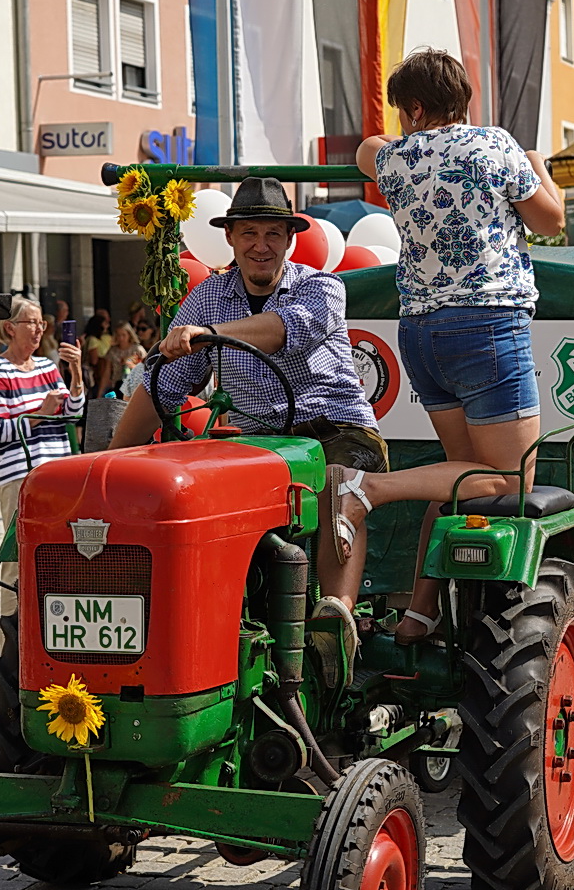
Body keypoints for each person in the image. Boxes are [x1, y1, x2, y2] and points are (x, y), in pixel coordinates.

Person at [106, 179, 387, 649]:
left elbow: (284, 332)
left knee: (339, 483)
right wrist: (109, 465)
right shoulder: (206, 298)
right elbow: (163, 387)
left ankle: (334, 628)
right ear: (231, 238)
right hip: (263, 447)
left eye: (273, 234)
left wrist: (208, 332)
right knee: (197, 500)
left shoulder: (321, 287)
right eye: (249, 233)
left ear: (290, 239)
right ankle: (206, 625)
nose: (261, 246)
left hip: (339, 432)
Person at [347, 47, 567, 643]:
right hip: (488, 326)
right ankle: (369, 490)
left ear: (415, 108)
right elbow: (551, 221)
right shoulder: (495, 146)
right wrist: (538, 166)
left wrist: (400, 137)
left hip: (420, 332)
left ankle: (420, 614)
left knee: (459, 474)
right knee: (511, 482)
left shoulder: (395, 158)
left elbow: (367, 149)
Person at [0, 296, 85, 615]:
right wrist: (39, 413)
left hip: (55, 475)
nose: (40, 329)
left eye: (42, 323)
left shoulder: (46, 366)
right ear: (10, 328)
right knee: (18, 564)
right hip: (19, 479)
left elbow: (73, 415)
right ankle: (11, 654)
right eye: (32, 322)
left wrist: (76, 373)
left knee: (56, 559)